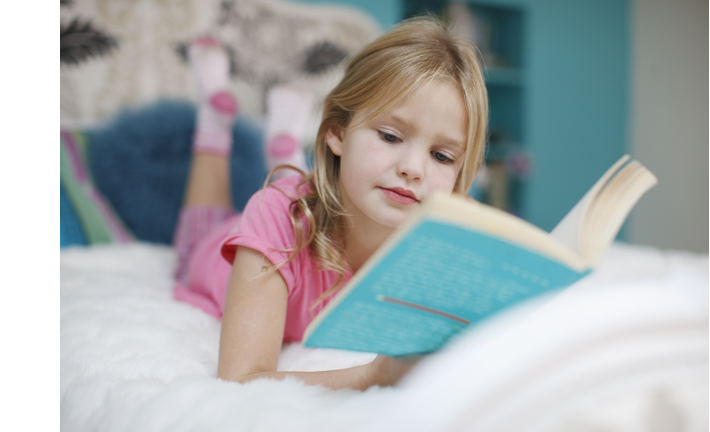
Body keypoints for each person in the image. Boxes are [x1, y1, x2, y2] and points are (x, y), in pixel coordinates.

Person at [173, 17, 489, 390]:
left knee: (300, 193)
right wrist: (373, 375)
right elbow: (240, 377)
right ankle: (214, 122)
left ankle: (287, 149)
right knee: (197, 239)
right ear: (336, 133)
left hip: (308, 202)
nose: (413, 169)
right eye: (390, 136)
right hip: (238, 239)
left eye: (441, 157)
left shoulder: (442, 246)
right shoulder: (274, 217)